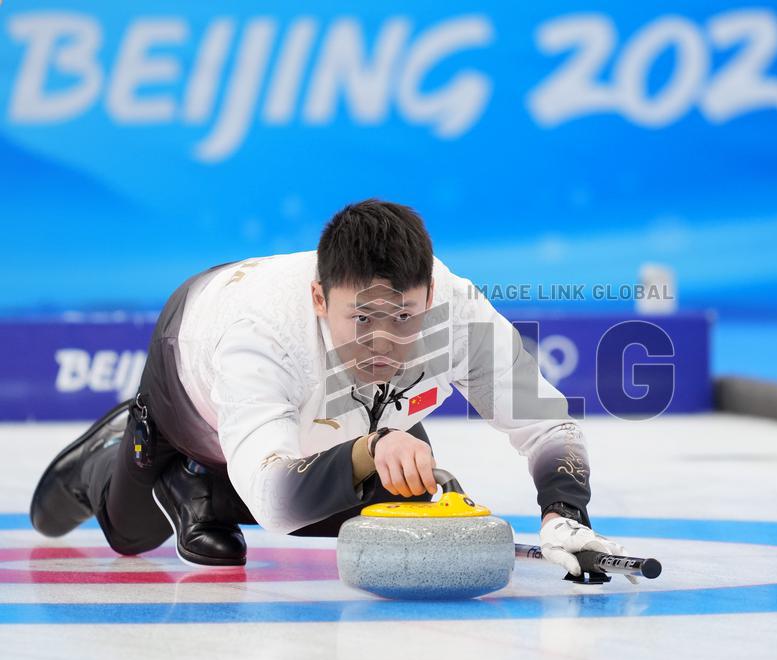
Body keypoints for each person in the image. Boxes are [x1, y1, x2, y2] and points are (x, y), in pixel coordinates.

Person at [30, 199, 631, 580]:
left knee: (422, 504)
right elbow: (277, 504)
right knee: (132, 533)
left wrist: (564, 514)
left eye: (405, 319)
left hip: (328, 410)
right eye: (361, 319)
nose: (385, 345)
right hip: (191, 376)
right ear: (319, 299)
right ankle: (139, 452)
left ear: (429, 297)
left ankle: (205, 483)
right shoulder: (260, 335)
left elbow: (547, 424)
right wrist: (373, 449)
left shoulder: (456, 313)